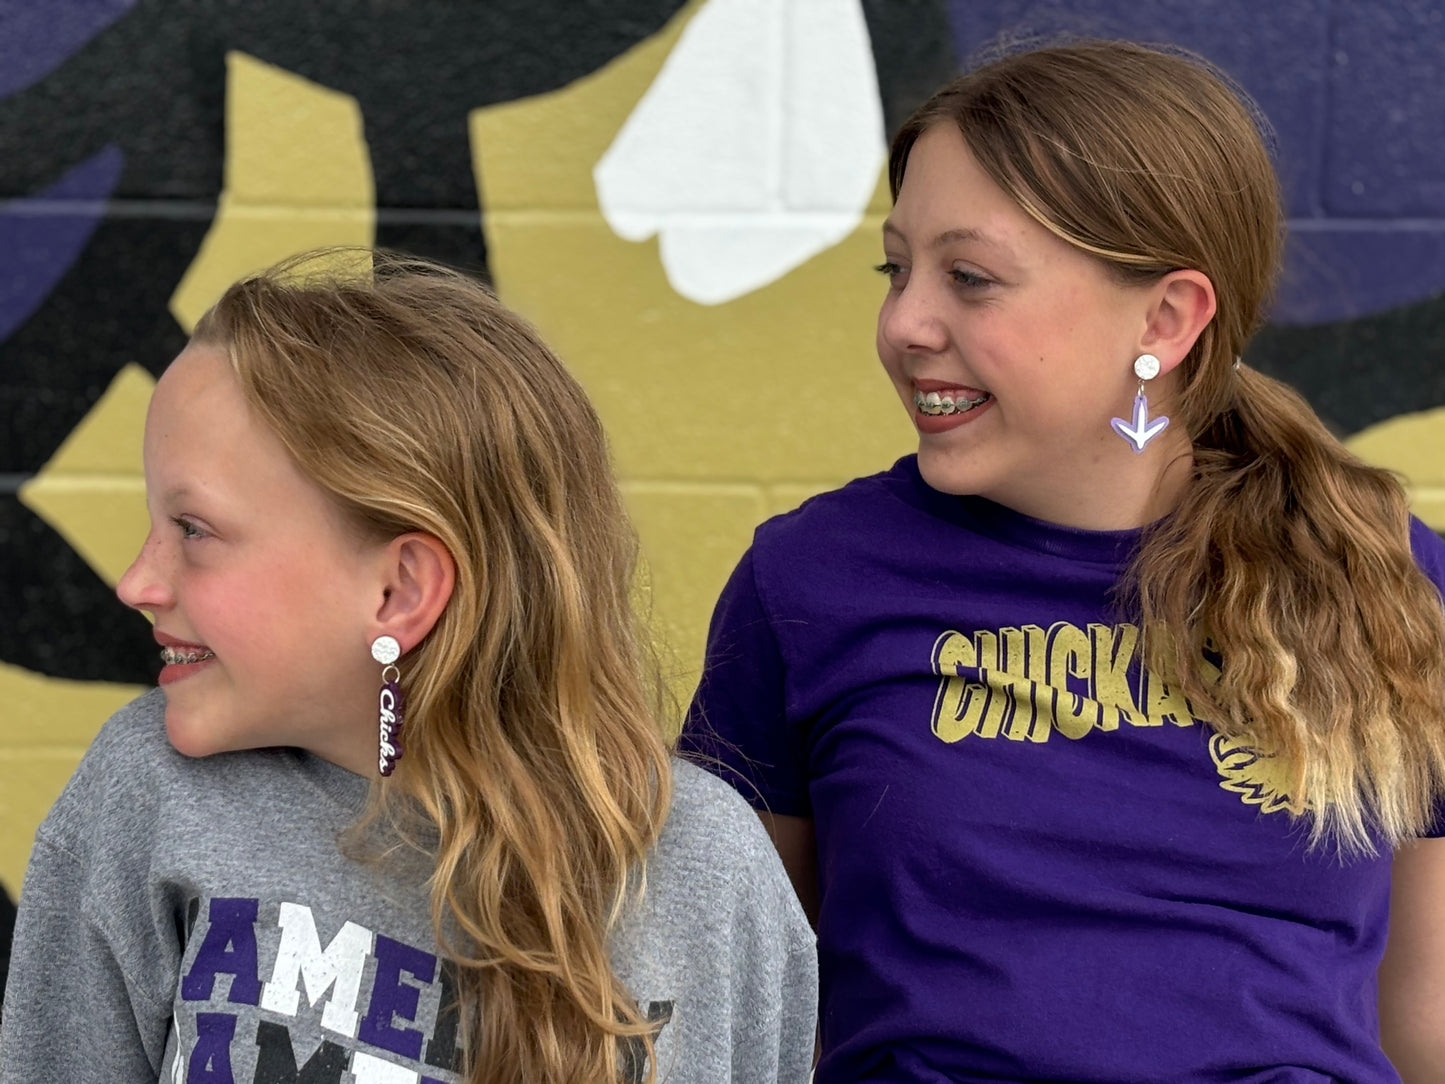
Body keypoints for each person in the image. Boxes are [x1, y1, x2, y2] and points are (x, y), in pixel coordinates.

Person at [679, 39, 1445, 1083]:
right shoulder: (808, 581)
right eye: (895, 270)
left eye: (970, 278)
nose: (903, 323)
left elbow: (1421, 1024)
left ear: (1164, 318)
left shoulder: (1383, 579)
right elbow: (736, 1011)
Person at [0, 253, 816, 1084]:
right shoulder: (149, 792)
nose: (136, 583)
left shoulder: (707, 871)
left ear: (399, 591)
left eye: (194, 530)